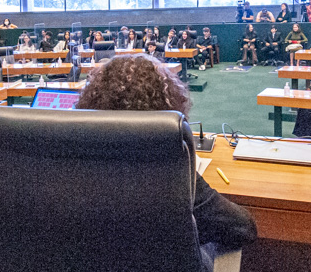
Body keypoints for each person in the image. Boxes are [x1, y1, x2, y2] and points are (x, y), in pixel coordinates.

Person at [74, 54, 257, 249]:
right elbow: (242, 229)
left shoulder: (72, 162)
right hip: (165, 268)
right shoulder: (172, 166)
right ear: (168, 103)